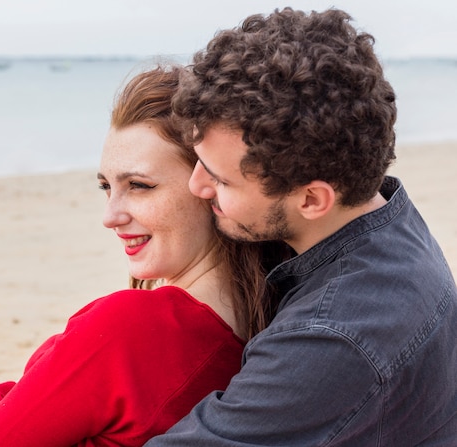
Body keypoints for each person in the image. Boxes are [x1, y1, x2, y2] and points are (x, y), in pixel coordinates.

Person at [144, 8, 457, 446]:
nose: (196, 186)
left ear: (312, 199)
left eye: (220, 178)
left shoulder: (333, 336)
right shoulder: (386, 213)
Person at [0, 65, 289, 447]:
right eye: (106, 186)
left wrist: (17, 388)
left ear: (212, 185)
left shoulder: (125, 329)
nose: (110, 216)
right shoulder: (281, 320)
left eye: (139, 185)